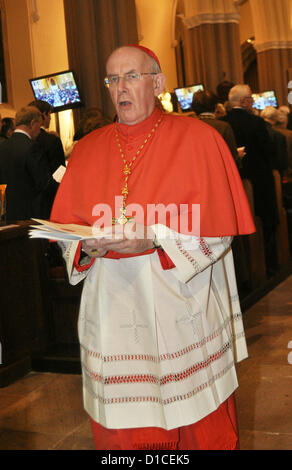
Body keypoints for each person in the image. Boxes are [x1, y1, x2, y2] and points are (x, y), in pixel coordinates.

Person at [50, 45, 255, 450]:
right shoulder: (88, 149)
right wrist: (85, 247)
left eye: (131, 76)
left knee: (199, 427)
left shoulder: (199, 139)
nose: (120, 88)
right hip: (112, 309)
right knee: (125, 435)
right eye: (112, 79)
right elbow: (66, 233)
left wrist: (154, 238)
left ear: (157, 82)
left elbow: (219, 231)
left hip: (181, 305)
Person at [221, 84, 279, 277]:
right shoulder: (256, 122)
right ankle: (269, 267)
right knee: (265, 224)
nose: (253, 102)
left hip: (234, 183)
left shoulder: (222, 122)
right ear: (244, 101)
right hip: (259, 181)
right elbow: (268, 151)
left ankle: (244, 271)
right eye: (251, 98)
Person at [0, 106, 53, 220]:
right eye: (39, 126)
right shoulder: (32, 147)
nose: (39, 131)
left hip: (7, 213)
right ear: (33, 123)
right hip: (30, 214)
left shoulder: (2, 146)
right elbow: (43, 182)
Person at [28, 99, 66, 218]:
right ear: (43, 115)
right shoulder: (52, 140)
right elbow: (59, 169)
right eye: (49, 115)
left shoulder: (24, 141)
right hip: (49, 199)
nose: (50, 118)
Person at [192, 89, 241, 166]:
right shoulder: (223, 127)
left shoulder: (188, 128)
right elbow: (233, 159)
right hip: (219, 171)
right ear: (216, 107)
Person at [260, 106, 289, 177]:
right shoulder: (278, 135)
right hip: (275, 172)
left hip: (259, 170)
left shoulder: (256, 131)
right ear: (276, 118)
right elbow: (281, 159)